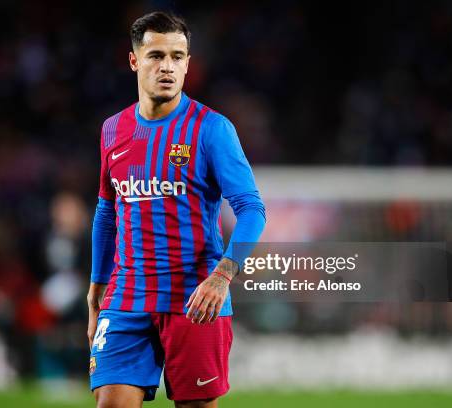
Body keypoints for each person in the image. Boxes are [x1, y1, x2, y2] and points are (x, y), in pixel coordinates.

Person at [87, 11, 266, 408]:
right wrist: (97, 285)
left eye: (177, 56)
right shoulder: (112, 130)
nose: (167, 66)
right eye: (155, 55)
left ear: (188, 63)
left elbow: (252, 209)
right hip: (127, 296)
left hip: (195, 298)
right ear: (134, 60)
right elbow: (106, 211)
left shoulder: (212, 129)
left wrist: (222, 276)